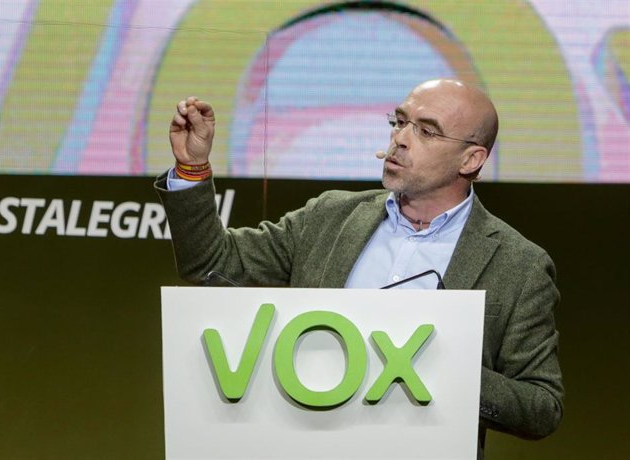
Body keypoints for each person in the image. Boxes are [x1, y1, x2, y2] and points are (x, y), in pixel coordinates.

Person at [154, 79, 563, 459]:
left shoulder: (518, 264)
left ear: (471, 158)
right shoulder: (330, 217)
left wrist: (443, 369)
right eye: (400, 122)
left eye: (426, 131)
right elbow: (209, 262)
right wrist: (192, 168)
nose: (400, 140)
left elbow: (542, 406)